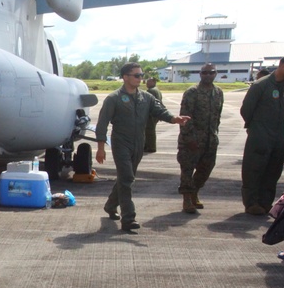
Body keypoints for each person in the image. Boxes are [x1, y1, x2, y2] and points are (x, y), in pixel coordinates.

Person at [95, 62, 189, 231]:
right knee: (127, 179)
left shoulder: (146, 97)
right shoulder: (113, 99)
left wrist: (174, 118)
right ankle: (128, 219)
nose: (140, 78)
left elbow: (160, 111)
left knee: (126, 177)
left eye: (141, 75)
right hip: (121, 143)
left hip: (139, 143)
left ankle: (110, 205)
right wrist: (101, 148)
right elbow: (102, 124)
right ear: (125, 77)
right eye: (136, 75)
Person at [240, 54, 284, 215]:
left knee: (273, 169)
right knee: (254, 169)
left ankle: (265, 203)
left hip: (277, 134)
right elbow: (246, 110)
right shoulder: (261, 85)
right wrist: (255, 127)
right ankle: (251, 203)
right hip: (259, 133)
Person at [177, 63, 224, 214]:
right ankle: (186, 199)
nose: (208, 75)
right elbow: (185, 116)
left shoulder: (218, 92)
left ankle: (194, 192)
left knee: (206, 168)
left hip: (210, 139)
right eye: (205, 73)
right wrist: (189, 138)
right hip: (192, 139)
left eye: (211, 72)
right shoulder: (192, 92)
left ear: (216, 74)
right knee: (187, 169)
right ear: (200, 74)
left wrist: (214, 135)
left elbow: (218, 116)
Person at [143, 76, 163, 153]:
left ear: (154, 82)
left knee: (149, 131)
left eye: (149, 82)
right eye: (147, 82)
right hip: (156, 113)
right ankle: (147, 145)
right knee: (149, 130)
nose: (147, 83)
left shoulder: (151, 91)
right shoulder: (156, 90)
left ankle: (151, 147)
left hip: (151, 114)